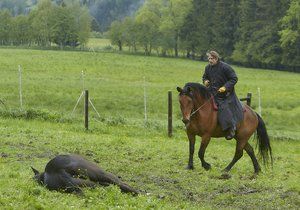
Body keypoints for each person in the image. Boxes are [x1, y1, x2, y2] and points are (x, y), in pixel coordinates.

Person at [202, 50, 243, 140]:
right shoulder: (208, 67)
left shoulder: (226, 67)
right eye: (208, 58)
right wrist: (205, 81)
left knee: (223, 107)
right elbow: (204, 77)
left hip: (225, 95)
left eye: (211, 58)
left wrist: (225, 87)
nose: (209, 60)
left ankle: (231, 128)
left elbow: (234, 78)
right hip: (211, 92)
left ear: (216, 58)